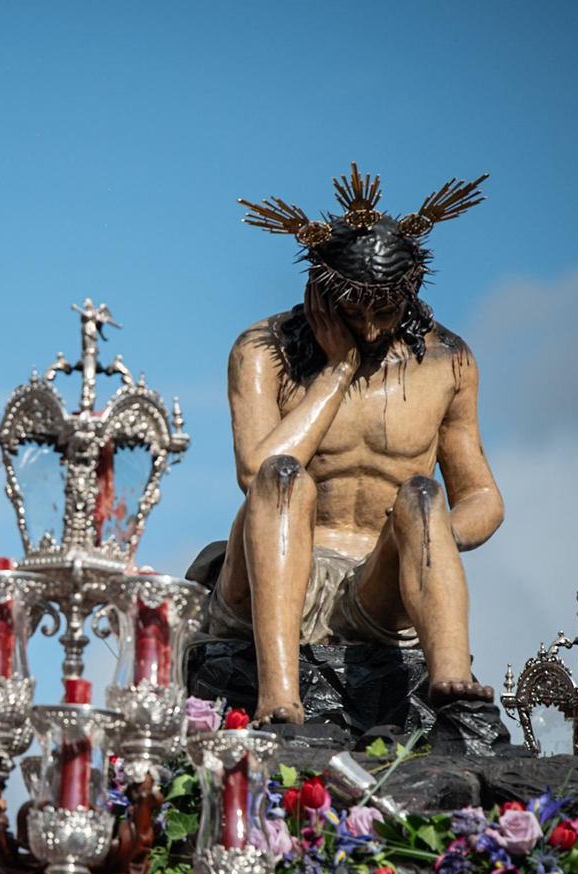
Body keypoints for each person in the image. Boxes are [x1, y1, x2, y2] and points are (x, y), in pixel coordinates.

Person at [210, 164, 503, 724]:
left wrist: (430, 535)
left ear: (410, 292)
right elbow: (254, 472)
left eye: (384, 313)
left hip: (376, 586)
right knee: (282, 477)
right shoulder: (264, 350)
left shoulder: (448, 363)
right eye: (353, 313)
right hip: (268, 581)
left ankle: (452, 684)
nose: (369, 329)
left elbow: (483, 498)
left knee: (421, 494)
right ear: (321, 293)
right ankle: (278, 696)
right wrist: (337, 371)